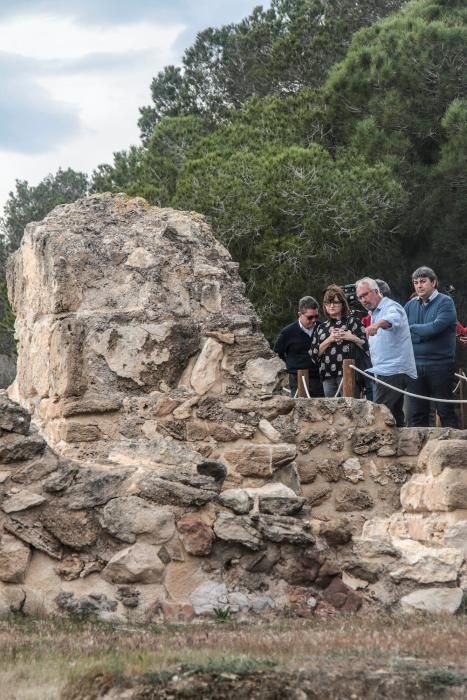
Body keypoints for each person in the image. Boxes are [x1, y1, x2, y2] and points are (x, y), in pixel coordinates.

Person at [355, 277, 416, 426]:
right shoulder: (373, 313)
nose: (363, 300)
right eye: (360, 297)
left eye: (366, 294)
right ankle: (401, 447)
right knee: (394, 417)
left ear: (376, 291)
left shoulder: (391, 307)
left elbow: (392, 319)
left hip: (394, 371)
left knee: (379, 415)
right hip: (385, 372)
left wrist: (377, 325)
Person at [404, 266, 458, 428]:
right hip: (415, 365)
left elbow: (435, 328)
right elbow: (402, 332)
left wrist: (413, 329)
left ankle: (456, 449)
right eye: (416, 282)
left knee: (445, 410)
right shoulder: (409, 305)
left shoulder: (446, 302)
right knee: (417, 413)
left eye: (423, 281)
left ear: (433, 282)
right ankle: (419, 451)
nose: (419, 286)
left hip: (440, 364)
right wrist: (423, 333)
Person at [311, 285, 367, 397]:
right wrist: (329, 339)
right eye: (328, 303)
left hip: (349, 374)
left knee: (351, 409)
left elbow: (366, 346)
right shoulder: (321, 327)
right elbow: (314, 353)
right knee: (331, 411)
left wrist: (351, 337)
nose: (331, 306)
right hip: (327, 375)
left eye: (335, 302)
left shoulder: (353, 322)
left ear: (342, 304)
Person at [274, 296, 324, 397]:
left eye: (316, 316)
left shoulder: (322, 328)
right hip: (297, 379)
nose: (314, 320)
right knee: (300, 410)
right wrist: (290, 365)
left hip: (319, 378)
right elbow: (276, 353)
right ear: (300, 314)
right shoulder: (287, 333)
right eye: (310, 317)